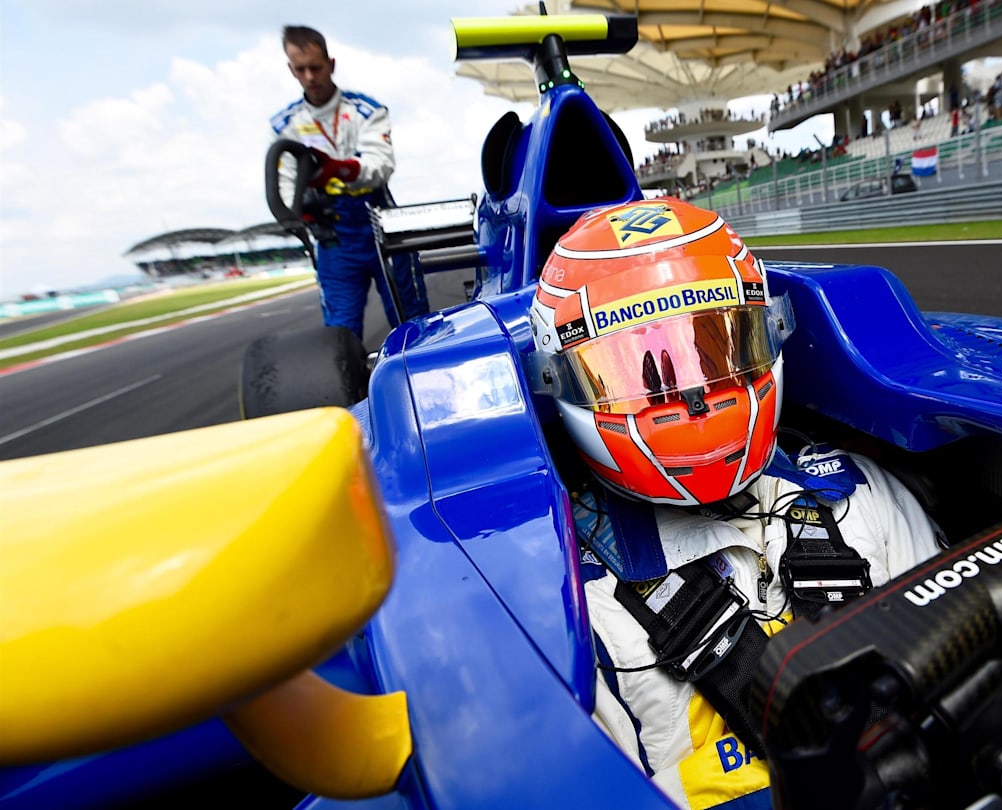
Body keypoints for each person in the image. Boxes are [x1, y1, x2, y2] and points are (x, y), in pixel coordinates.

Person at [528, 198, 948, 809]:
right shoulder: (574, 610)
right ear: (558, 380)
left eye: (715, 349)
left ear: (768, 331)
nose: (694, 395)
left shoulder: (859, 495)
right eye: (643, 370)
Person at [270, 25, 428, 340]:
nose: (310, 76)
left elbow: (381, 165)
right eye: (301, 69)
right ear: (291, 70)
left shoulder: (366, 110)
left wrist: (339, 170)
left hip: (379, 223)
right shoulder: (285, 125)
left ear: (331, 64)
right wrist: (300, 213)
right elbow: (286, 185)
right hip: (333, 237)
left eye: (315, 67)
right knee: (340, 336)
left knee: (413, 324)